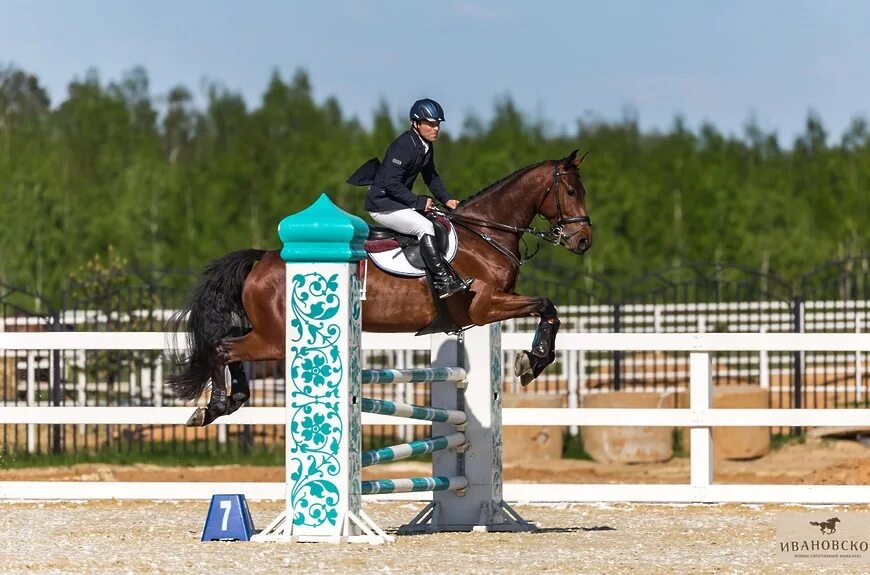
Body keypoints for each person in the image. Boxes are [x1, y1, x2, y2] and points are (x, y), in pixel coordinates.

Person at [353, 98, 473, 298]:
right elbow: (391, 184)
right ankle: (443, 282)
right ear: (415, 124)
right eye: (431, 124)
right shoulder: (404, 146)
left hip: (396, 202)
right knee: (424, 227)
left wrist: (447, 199)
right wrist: (418, 202)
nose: (436, 129)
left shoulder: (425, 145)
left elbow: (431, 176)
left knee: (435, 221)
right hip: (382, 205)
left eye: (438, 124)